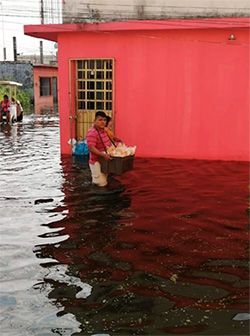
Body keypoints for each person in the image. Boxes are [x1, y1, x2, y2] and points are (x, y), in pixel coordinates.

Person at [86, 111, 111, 187]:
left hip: (104, 161)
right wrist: (103, 155)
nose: (102, 122)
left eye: (104, 120)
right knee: (101, 185)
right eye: (100, 120)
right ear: (95, 121)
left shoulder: (104, 131)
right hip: (96, 162)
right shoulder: (92, 133)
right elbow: (91, 148)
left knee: (103, 182)